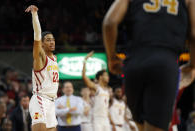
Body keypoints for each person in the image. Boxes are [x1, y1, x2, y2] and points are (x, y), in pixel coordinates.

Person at [102, 0, 195, 130]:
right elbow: (193, 34)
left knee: (141, 127)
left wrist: (111, 58)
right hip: (165, 63)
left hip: (133, 64)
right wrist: (192, 64)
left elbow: (109, 22)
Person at [25, 5, 59, 131]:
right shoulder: (40, 57)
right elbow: (37, 34)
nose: (52, 42)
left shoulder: (54, 59)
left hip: (51, 102)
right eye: (48, 40)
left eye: (53, 40)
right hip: (40, 100)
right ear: (42, 44)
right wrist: (35, 15)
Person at [82, 51, 111, 131]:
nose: (108, 77)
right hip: (97, 119)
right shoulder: (96, 88)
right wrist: (85, 60)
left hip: (106, 119)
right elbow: (84, 77)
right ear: (101, 77)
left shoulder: (107, 90)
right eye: (106, 75)